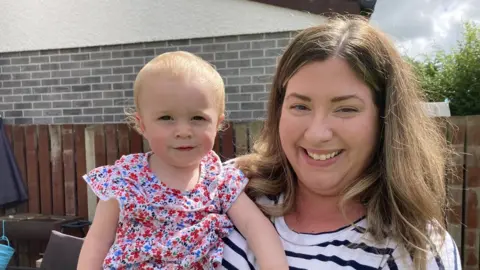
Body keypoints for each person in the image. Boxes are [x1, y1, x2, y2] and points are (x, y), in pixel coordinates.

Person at [221, 15, 461, 270]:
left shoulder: (415, 252)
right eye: (300, 106)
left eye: (346, 109)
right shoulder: (228, 187)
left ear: (385, 119)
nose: (316, 133)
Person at [77, 51, 288, 269]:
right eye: (166, 118)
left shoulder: (220, 181)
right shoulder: (125, 178)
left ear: (217, 123)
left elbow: (258, 229)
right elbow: (97, 242)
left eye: (198, 118)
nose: (184, 131)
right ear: (142, 125)